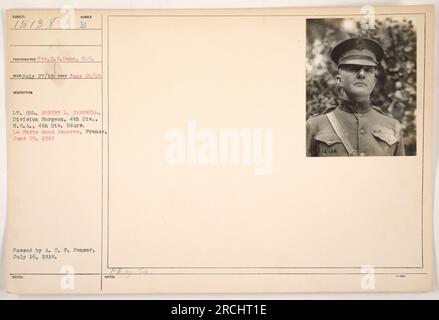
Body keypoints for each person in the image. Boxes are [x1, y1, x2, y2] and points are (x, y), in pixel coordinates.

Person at [306, 37, 405, 157]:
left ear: (373, 82)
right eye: (354, 68)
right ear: (339, 80)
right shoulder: (315, 126)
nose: (362, 74)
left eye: (368, 70)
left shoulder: (393, 127)